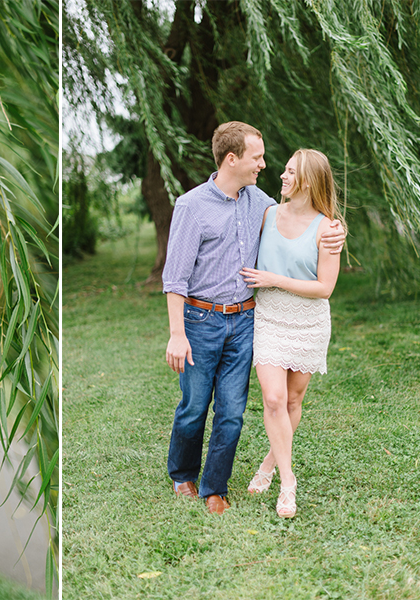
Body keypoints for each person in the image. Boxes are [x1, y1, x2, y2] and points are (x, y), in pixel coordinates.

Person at [163, 122, 345, 515]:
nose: (265, 164)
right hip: (200, 319)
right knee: (194, 405)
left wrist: (336, 230)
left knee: (231, 410)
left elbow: (303, 215)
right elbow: (175, 277)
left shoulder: (258, 202)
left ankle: (215, 487)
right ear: (233, 159)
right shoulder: (191, 206)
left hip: (246, 320)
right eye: (257, 157)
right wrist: (177, 333)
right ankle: (182, 474)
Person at [241, 149, 342, 518]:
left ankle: (268, 464)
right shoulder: (267, 213)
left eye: (290, 172)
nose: (281, 176)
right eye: (283, 170)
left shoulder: (328, 228)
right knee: (272, 398)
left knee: (293, 402)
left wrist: (272, 279)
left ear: (310, 181)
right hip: (269, 317)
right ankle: (288, 481)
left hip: (309, 321)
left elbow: (325, 287)